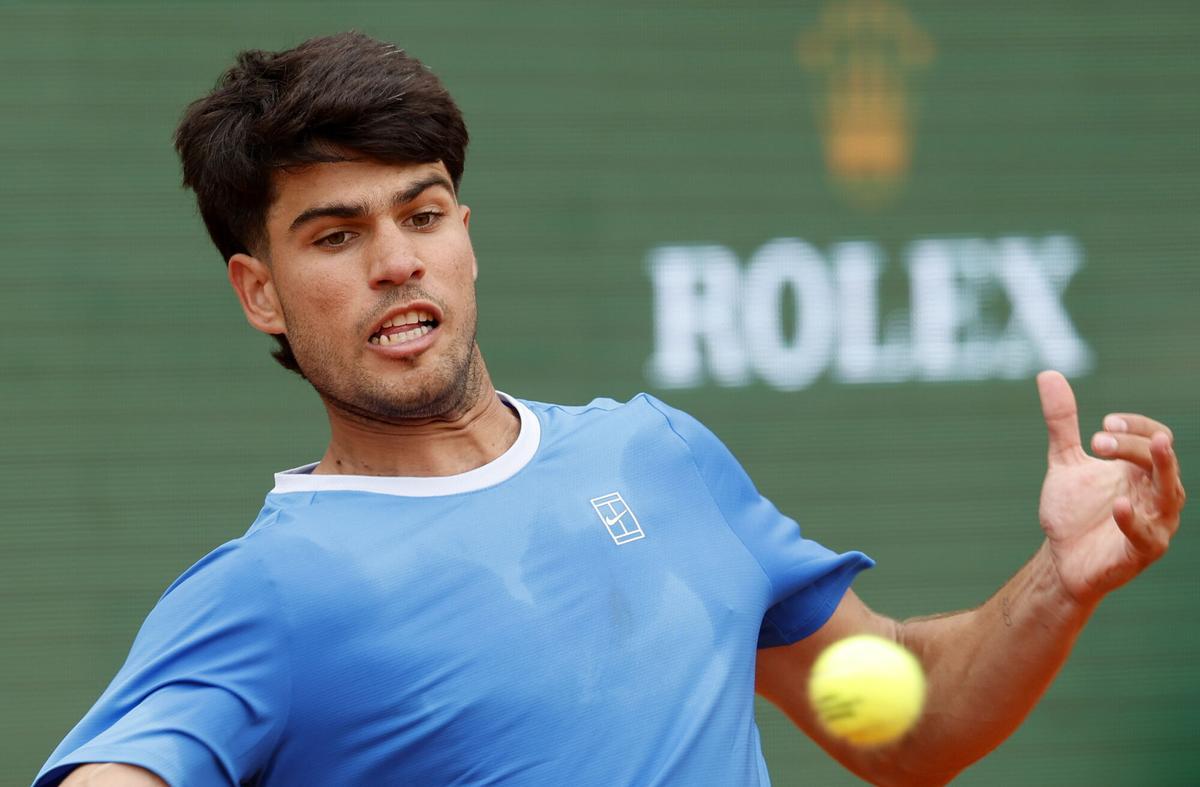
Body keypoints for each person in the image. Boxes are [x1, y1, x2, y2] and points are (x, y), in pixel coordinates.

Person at [36, 32, 1185, 787]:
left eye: (422, 215)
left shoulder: (659, 454)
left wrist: (1062, 576)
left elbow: (907, 720)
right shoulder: (268, 590)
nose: (396, 263)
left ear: (466, 236)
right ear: (260, 294)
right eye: (336, 235)